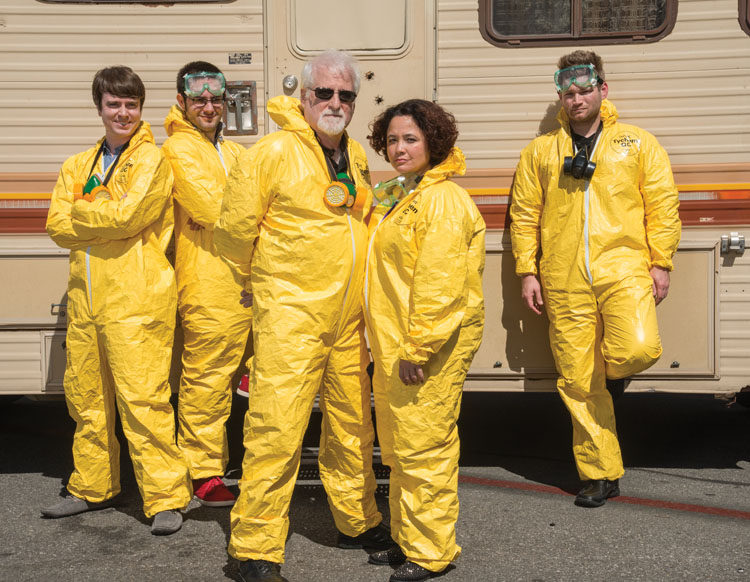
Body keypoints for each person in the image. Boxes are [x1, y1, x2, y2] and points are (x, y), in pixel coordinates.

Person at [214, 50, 391, 582]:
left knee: (353, 427)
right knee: (276, 429)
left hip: (347, 318)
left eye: (345, 95)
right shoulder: (271, 152)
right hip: (291, 315)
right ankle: (254, 549)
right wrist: (258, 287)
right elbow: (232, 233)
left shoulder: (355, 155)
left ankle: (356, 521)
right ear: (304, 96)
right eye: (325, 93)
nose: (335, 103)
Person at [510, 50, 681, 507]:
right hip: (563, 278)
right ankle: (599, 473)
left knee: (638, 347)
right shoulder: (542, 151)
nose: (577, 98)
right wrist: (528, 270)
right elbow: (525, 215)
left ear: (602, 90)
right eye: (568, 92)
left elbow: (662, 205)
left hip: (624, 269)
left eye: (585, 89)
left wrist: (661, 261)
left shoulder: (637, 143)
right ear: (560, 97)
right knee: (577, 381)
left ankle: (610, 376)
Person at [43, 66, 192, 535]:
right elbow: (55, 226)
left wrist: (84, 210)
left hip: (137, 300)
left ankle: (167, 498)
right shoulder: (77, 164)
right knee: (87, 400)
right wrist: (101, 214)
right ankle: (92, 486)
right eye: (114, 104)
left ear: (140, 108)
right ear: (100, 108)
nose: (123, 113)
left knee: (143, 400)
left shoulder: (153, 160)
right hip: (87, 302)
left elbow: (130, 216)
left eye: (131, 104)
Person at [363, 100, 486, 582]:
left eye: (410, 138)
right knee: (399, 450)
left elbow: (441, 284)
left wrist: (419, 349)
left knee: (425, 450)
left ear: (433, 142)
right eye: (392, 139)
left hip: (424, 348)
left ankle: (432, 552)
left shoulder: (442, 201)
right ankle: (406, 538)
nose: (399, 148)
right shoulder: (402, 193)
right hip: (397, 345)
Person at [162, 61, 251, 507]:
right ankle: (205, 472)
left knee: (249, 377)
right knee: (207, 383)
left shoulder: (232, 151)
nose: (210, 106)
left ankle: (244, 462)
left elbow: (255, 201)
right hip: (207, 285)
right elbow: (215, 208)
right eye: (200, 99)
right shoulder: (179, 149)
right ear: (182, 101)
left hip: (245, 282)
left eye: (217, 99)